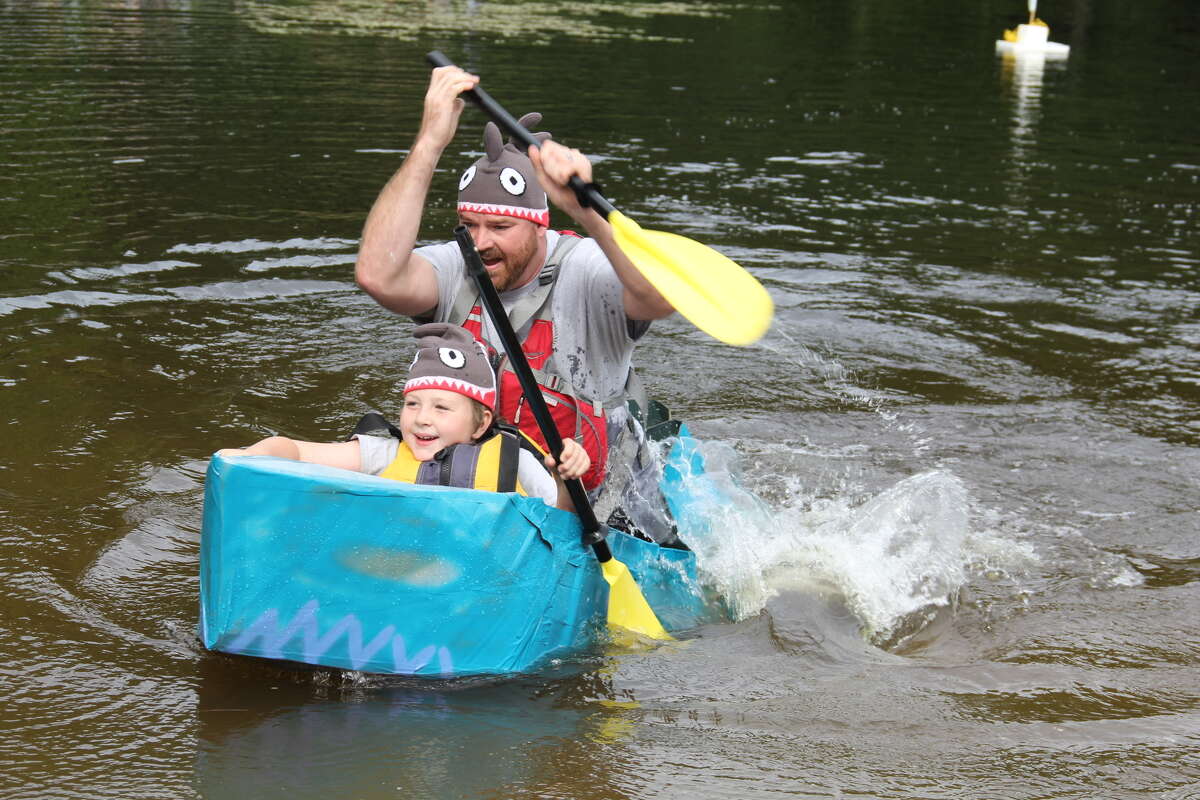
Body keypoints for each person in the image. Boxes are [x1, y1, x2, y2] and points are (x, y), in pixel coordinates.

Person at [354, 65, 676, 494]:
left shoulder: (588, 269)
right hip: (483, 479)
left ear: (540, 225)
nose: (480, 243)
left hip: (590, 493)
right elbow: (377, 275)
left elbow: (661, 299)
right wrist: (430, 143)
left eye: (501, 228)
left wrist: (585, 211)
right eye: (469, 224)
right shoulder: (459, 261)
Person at [216, 323, 590, 512]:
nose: (422, 419)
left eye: (442, 408)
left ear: (480, 424)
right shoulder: (384, 454)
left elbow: (560, 522)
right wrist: (249, 460)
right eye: (412, 404)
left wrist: (564, 477)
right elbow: (295, 452)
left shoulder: (515, 462)